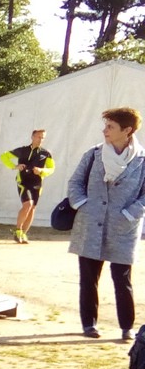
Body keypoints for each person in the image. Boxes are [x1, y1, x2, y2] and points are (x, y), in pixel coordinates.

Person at [67, 107, 145, 341]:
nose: (104, 130)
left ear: (127, 130)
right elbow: (75, 183)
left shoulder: (142, 160)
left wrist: (131, 214)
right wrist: (83, 204)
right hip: (91, 224)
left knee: (122, 280)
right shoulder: (93, 154)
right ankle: (89, 324)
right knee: (88, 278)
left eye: (110, 126)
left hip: (124, 227)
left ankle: (126, 327)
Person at [0, 129, 54, 244]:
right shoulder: (22, 150)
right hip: (23, 182)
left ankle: (23, 233)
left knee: (32, 207)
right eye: (38, 137)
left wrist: (41, 170)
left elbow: (52, 168)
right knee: (27, 205)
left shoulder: (46, 153)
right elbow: (4, 156)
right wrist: (15, 166)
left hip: (37, 183)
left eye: (43, 137)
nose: (40, 140)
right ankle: (18, 230)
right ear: (32, 137)